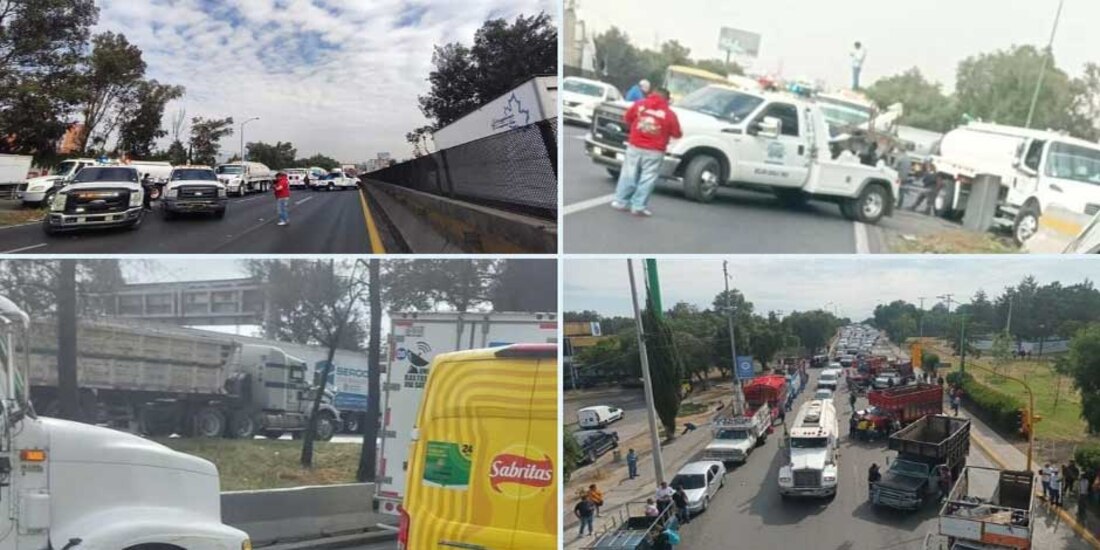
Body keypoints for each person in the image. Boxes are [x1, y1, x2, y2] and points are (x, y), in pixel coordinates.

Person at [610, 87, 682, 217]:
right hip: (655, 150)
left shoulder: (639, 105)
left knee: (628, 174)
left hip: (635, 145)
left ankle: (621, 202)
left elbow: (628, 118)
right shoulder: (669, 114)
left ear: (651, 94)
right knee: (648, 178)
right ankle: (638, 206)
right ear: (667, 99)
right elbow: (676, 133)